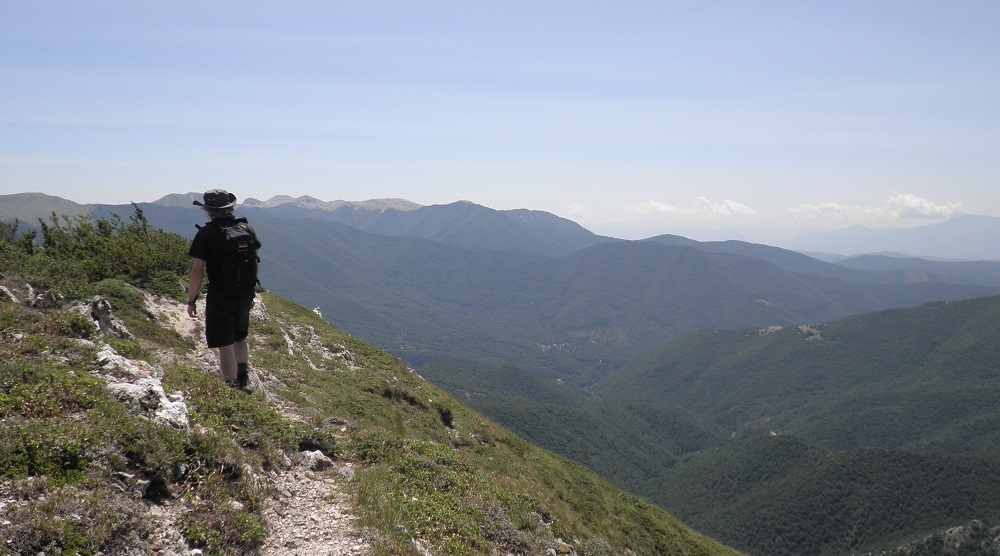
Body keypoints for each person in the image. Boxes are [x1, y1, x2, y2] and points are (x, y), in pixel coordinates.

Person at [186, 189, 262, 390]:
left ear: (208, 210)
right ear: (230, 207)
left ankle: (232, 386)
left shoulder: (207, 233)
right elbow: (255, 263)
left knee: (224, 343)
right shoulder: (246, 228)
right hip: (245, 293)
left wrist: (191, 300)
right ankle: (244, 379)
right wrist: (250, 289)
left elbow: (197, 271)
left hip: (220, 294)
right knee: (240, 336)